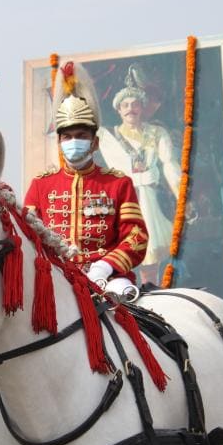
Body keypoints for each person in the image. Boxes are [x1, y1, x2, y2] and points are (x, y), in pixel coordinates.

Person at [25, 61, 149, 302]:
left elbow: (136, 237)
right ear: (60, 142)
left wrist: (105, 266)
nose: (74, 141)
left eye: (81, 136)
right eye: (68, 137)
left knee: (126, 307)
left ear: (95, 143)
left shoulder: (118, 184)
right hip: (55, 278)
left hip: (109, 280)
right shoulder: (40, 186)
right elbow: (28, 238)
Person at [97, 64, 185, 284]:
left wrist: (181, 196)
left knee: (150, 255)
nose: (131, 109)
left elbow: (169, 164)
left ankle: (150, 289)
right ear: (118, 110)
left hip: (150, 200)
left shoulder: (157, 133)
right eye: (125, 105)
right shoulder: (106, 137)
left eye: (135, 104)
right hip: (121, 200)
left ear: (142, 107)